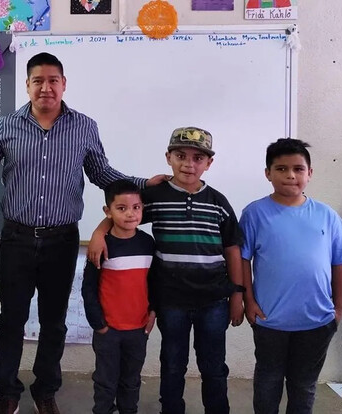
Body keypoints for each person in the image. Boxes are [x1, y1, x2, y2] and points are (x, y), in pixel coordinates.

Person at [0, 52, 167, 414]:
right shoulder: (8, 125)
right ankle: (8, 390)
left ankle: (45, 389)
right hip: (18, 238)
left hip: (61, 238)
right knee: (12, 318)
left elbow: (103, 174)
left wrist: (142, 184)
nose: (46, 87)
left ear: (64, 84)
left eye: (53, 80)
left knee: (54, 321)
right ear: (27, 85)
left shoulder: (84, 126)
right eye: (38, 80)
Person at [89, 126, 244, 414]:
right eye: (181, 155)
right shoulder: (156, 196)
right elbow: (123, 214)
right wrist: (99, 232)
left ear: (209, 163)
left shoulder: (218, 202)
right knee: (172, 364)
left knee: (213, 365)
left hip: (213, 301)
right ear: (168, 157)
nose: (189, 163)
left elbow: (233, 249)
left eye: (198, 158)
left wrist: (237, 293)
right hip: (171, 301)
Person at [240, 138, 342, 414]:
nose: (290, 175)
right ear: (268, 173)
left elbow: (341, 264)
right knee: (268, 382)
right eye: (281, 168)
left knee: (303, 385)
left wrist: (338, 309)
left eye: (298, 169)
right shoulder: (254, 213)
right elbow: (243, 260)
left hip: (316, 321)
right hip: (269, 320)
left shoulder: (326, 216)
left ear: (310, 173)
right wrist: (249, 302)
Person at [81, 180, 155, 414]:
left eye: (136, 207)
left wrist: (153, 312)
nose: (130, 214)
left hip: (138, 329)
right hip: (108, 331)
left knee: (131, 380)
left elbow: (155, 283)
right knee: (105, 380)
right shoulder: (100, 246)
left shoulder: (147, 243)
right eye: (121, 208)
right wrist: (99, 325)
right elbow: (89, 288)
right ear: (108, 212)